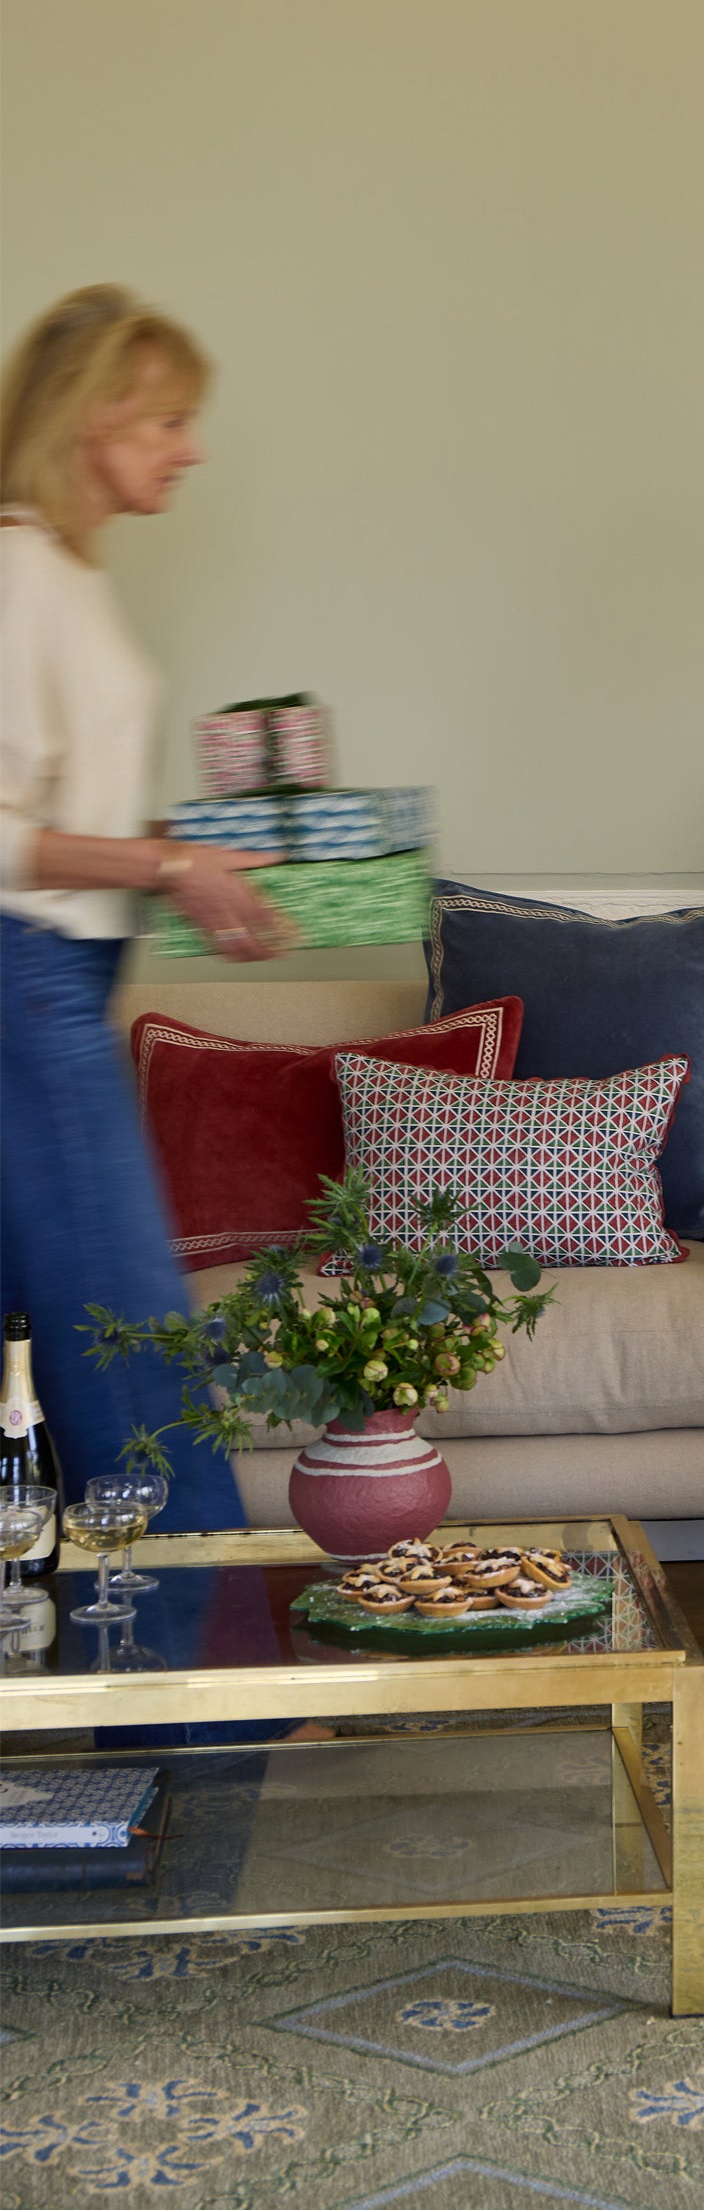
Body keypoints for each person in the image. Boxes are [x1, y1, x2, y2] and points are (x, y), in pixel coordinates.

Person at [0, 285, 292, 1526]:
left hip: (58, 980)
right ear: (90, 418)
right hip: (29, 989)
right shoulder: (18, 569)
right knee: (134, 1350)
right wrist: (171, 869)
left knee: (55, 1353)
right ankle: (202, 1721)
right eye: (168, 418)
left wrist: (182, 849)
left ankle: (108, 1687)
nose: (192, 445)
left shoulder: (64, 570)